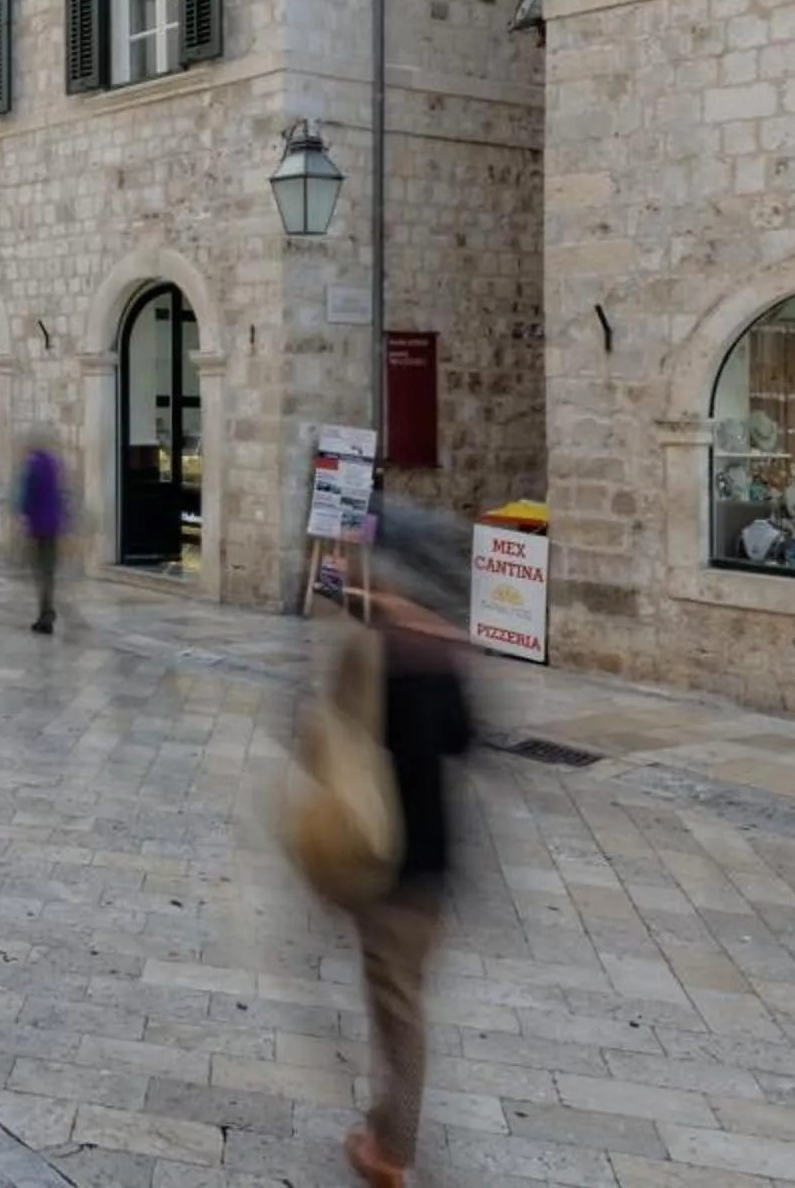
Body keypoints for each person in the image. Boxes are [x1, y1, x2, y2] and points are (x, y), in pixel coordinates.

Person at [332, 505, 479, 1188]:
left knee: (396, 1004)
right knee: (399, 992)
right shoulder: (439, 651)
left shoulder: (379, 651)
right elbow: (463, 740)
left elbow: (335, 735)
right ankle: (385, 1128)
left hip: (384, 852)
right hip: (433, 853)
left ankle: (392, 1148)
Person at [17, 433, 67, 635]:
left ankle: (46, 613)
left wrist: (23, 515)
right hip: (53, 522)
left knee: (40, 571)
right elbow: (60, 492)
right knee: (49, 571)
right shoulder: (53, 463)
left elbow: (28, 496)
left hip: (37, 524)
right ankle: (47, 610)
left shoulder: (32, 465)